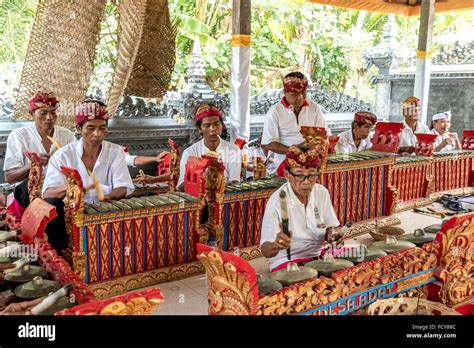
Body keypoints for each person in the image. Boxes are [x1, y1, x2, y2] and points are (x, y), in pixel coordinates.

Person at [42, 100, 134, 254]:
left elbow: (123, 187)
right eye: (91, 128)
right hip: (71, 214)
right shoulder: (63, 155)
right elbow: (47, 194)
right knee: (52, 205)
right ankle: (62, 256)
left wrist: (105, 198)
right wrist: (74, 187)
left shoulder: (115, 152)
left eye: (102, 128)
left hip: (106, 208)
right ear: (79, 129)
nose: (97, 134)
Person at [259, 139, 340, 272]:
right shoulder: (277, 201)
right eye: (299, 175)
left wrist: (332, 235)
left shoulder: (321, 192)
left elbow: (329, 228)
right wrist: (276, 245)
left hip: (317, 256)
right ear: (287, 175)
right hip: (288, 261)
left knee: (355, 265)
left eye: (312, 175)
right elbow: (265, 250)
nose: (307, 182)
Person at [3, 92, 76, 209]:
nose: (49, 117)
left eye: (53, 112)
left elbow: (77, 165)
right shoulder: (19, 136)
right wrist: (34, 164)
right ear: (32, 114)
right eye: (43, 113)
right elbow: (9, 177)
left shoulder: (67, 135)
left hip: (58, 188)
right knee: (48, 202)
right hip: (29, 191)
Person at [261, 72, 328, 171]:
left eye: (303, 93)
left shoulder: (314, 108)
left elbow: (322, 135)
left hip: (310, 164)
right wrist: (295, 150)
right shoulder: (275, 111)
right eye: (295, 94)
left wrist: (313, 147)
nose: (300, 97)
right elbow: (269, 143)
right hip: (284, 165)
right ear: (285, 92)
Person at [177, 103, 241, 188]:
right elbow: (182, 186)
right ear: (199, 129)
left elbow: (235, 182)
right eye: (207, 126)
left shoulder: (233, 150)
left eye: (216, 124)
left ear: (222, 125)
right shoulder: (190, 153)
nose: (213, 129)